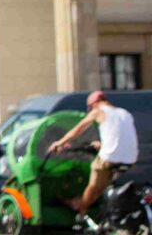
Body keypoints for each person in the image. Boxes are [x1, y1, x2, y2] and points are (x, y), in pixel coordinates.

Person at [53, 91, 140, 220]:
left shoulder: (99, 111)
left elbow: (79, 128)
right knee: (103, 186)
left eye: (90, 107)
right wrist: (102, 144)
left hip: (110, 157)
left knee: (93, 185)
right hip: (130, 158)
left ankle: (81, 212)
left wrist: (60, 143)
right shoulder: (124, 113)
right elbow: (119, 134)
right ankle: (104, 210)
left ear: (94, 104)